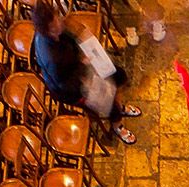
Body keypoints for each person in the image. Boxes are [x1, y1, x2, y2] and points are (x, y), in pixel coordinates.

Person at [29, 1, 139, 145]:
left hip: (78, 67)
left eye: (58, 18)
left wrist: (83, 42)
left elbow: (68, 35)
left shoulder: (55, 30)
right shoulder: (52, 58)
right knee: (109, 101)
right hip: (72, 89)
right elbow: (64, 83)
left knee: (118, 74)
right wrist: (84, 68)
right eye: (56, 24)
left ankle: (120, 107)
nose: (61, 22)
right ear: (49, 31)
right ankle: (117, 126)